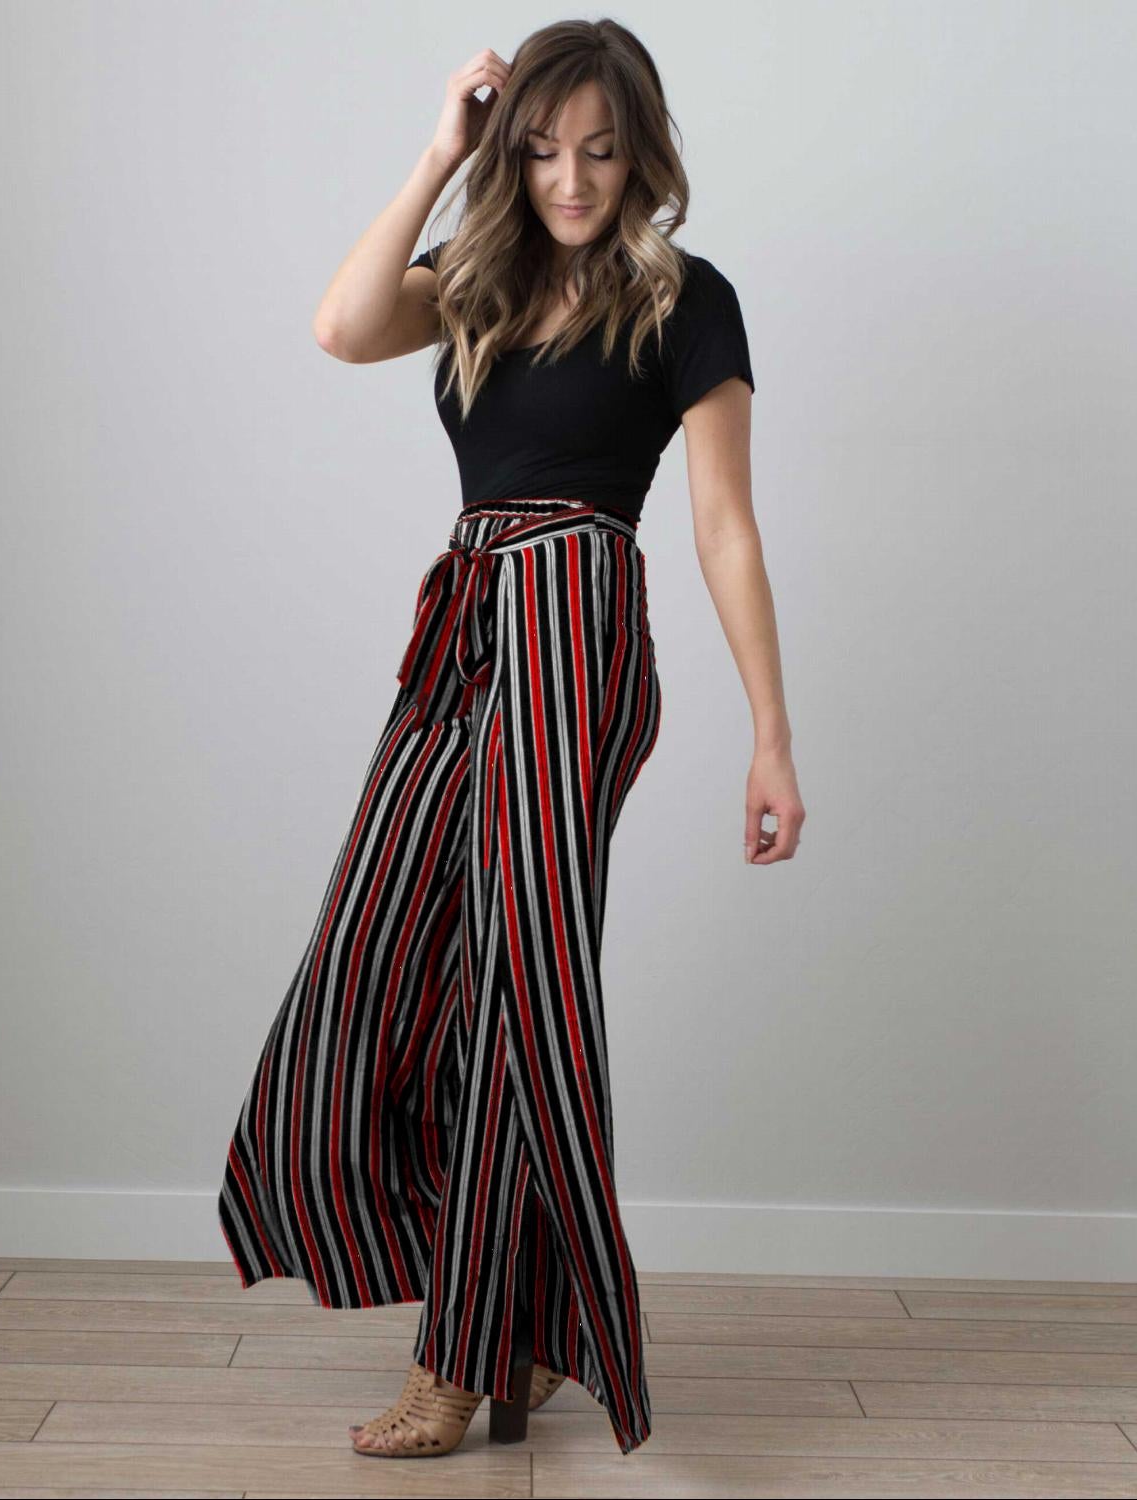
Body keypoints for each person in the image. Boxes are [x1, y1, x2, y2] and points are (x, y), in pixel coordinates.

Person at [218, 17, 804, 1461]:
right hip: (466, 620)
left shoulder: (687, 299)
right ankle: (524, 1325)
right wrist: (441, 152)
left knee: (518, 989)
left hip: (577, 627)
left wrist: (771, 738)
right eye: (542, 151)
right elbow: (342, 325)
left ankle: (460, 1357)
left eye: (600, 151)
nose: (572, 180)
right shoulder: (478, 277)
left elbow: (725, 527)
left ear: (641, 154)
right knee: (374, 953)